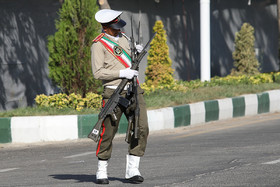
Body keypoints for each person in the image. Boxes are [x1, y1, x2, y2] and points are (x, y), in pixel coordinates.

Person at [91, 9, 149, 185]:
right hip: (113, 91)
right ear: (105, 27)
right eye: (114, 27)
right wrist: (122, 72)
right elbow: (97, 73)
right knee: (107, 132)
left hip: (133, 90)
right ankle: (102, 170)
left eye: (118, 26)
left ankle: (132, 170)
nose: (118, 29)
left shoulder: (125, 38)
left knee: (141, 127)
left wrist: (136, 52)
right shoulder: (99, 45)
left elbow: (131, 58)